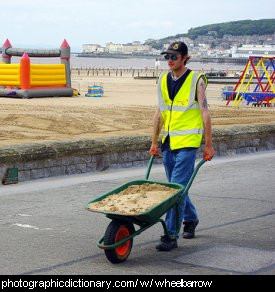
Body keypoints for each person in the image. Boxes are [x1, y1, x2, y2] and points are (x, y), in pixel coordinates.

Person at [150, 41, 215, 251]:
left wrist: (208, 145)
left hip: (187, 144)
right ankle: (191, 218)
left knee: (174, 190)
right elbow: (159, 113)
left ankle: (170, 235)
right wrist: (153, 141)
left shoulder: (196, 80)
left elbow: (205, 112)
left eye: (174, 57)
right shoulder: (162, 80)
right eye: (166, 57)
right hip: (168, 142)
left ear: (185, 58)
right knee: (176, 188)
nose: (169, 61)